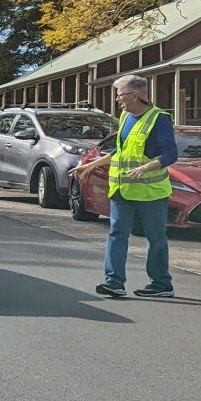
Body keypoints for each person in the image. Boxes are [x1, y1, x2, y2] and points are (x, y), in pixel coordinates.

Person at [71, 73, 178, 298]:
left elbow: (170, 154)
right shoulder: (125, 117)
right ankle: (114, 282)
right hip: (121, 190)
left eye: (121, 95)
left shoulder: (160, 118)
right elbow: (120, 152)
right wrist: (90, 166)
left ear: (136, 95)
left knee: (155, 238)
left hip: (150, 192)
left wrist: (145, 169)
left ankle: (161, 283)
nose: (118, 100)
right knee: (116, 233)